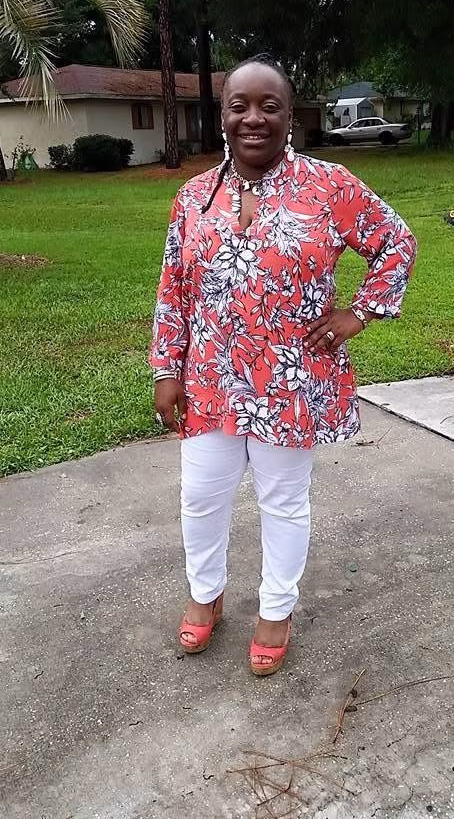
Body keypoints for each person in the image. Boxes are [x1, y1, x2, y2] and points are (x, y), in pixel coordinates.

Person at [150, 54, 416, 676]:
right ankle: (206, 594)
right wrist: (166, 369)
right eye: (239, 105)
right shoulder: (194, 198)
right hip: (211, 379)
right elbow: (173, 288)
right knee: (201, 497)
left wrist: (359, 313)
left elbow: (395, 242)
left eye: (269, 106)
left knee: (283, 500)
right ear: (222, 116)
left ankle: (276, 609)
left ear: (289, 116)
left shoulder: (329, 186)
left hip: (291, 381)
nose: (253, 118)